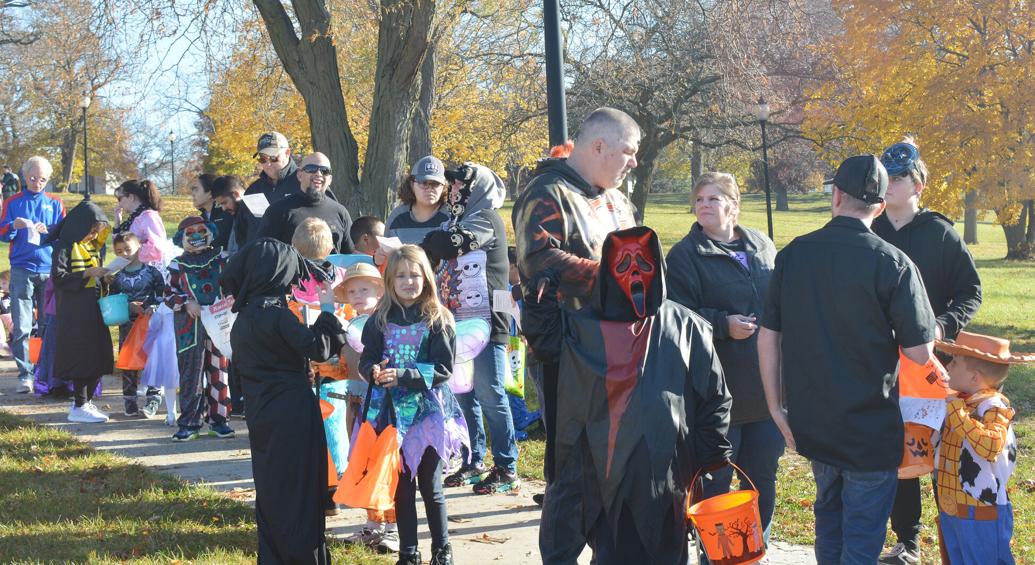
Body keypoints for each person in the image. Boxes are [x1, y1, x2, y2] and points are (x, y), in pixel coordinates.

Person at [757, 155, 937, 565]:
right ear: (878, 205)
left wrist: (775, 407)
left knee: (830, 523)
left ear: (836, 195)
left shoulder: (793, 255)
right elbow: (920, 353)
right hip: (869, 430)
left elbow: (768, 337)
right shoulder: (893, 263)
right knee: (860, 538)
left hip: (813, 424)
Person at [522, 226, 733, 563]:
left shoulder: (686, 327)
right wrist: (541, 298)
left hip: (662, 469)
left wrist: (710, 453)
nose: (634, 271)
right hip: (596, 467)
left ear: (659, 267)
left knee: (663, 548)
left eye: (643, 262)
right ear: (607, 269)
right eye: (622, 263)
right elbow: (546, 344)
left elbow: (715, 396)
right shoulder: (583, 325)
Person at [512, 107, 639, 513]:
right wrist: (614, 276)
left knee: (613, 453)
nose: (634, 162)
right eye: (628, 151)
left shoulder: (619, 201)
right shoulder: (546, 192)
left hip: (620, 344)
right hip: (566, 346)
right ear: (598, 146)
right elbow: (538, 260)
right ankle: (564, 533)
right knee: (571, 457)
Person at [873, 140, 983, 565]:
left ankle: (954, 542)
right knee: (902, 454)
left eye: (899, 178)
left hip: (936, 365)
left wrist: (941, 326)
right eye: (887, 178)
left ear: (918, 183)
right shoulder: (870, 230)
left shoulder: (940, 232)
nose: (891, 185)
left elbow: (970, 290)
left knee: (941, 454)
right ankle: (908, 541)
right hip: (883, 364)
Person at [665, 171, 784, 550]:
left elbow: (780, 300)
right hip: (715, 393)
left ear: (733, 205)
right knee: (714, 483)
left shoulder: (762, 245)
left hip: (764, 389)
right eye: (699, 199)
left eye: (712, 199)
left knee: (761, 478)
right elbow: (676, 315)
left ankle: (753, 551)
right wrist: (721, 325)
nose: (703, 206)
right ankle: (714, 555)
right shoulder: (685, 255)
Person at [220, 237, 348, 565]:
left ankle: (274, 556)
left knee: (272, 485)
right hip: (293, 411)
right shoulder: (278, 315)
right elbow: (319, 349)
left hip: (261, 414)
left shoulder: (243, 319)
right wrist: (329, 311)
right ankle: (303, 555)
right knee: (301, 487)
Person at [358, 245, 464, 565]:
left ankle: (441, 550)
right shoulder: (379, 319)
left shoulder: (438, 319)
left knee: (430, 486)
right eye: (401, 276)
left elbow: (444, 369)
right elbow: (367, 359)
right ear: (389, 279)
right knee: (402, 487)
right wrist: (372, 371)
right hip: (392, 416)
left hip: (429, 414)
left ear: (426, 278)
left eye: (415, 275)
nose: (408, 282)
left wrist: (403, 375)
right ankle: (408, 551)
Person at [423, 163, 519, 495]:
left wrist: (429, 241)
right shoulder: (455, 220)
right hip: (458, 323)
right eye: (451, 187)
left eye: (458, 186)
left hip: (490, 320)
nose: (452, 192)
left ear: (476, 189)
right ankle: (473, 460)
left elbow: (450, 244)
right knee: (464, 392)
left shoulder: (487, 218)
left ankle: (507, 466)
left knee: (491, 392)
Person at [933, 331, 1031, 565]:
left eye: (955, 362)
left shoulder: (993, 406)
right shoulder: (959, 400)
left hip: (980, 511)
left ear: (975, 378)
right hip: (952, 507)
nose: (949, 366)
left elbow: (991, 446)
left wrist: (957, 413)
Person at [336, 261, 401, 554]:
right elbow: (347, 369)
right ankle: (372, 524)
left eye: (364, 289)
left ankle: (394, 526)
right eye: (352, 291)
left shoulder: (386, 323)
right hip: (358, 406)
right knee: (362, 463)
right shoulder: (349, 326)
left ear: (380, 290)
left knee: (387, 467)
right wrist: (324, 368)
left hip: (386, 408)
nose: (358, 295)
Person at [165, 216, 234, 441]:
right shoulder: (177, 264)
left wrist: (227, 300)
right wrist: (186, 302)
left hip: (219, 326)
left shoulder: (223, 258)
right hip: (189, 328)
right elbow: (168, 294)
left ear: (210, 232)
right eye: (190, 232)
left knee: (219, 373)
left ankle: (219, 421)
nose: (196, 236)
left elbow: (234, 283)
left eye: (200, 230)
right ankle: (190, 422)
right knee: (190, 375)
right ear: (181, 238)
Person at [1, 156, 65, 393]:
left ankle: (43, 371)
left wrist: (50, 231)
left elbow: (64, 235)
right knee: (22, 325)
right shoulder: (13, 202)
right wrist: (12, 227)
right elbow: (2, 232)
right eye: (32, 178)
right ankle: (25, 375)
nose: (37, 182)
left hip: (48, 271)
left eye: (42, 179)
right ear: (24, 177)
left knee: (48, 324)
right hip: (21, 270)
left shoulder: (56, 203)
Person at [47, 200, 113, 423]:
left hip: (94, 307)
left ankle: (86, 402)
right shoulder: (64, 246)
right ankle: (79, 404)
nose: (94, 236)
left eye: (97, 233)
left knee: (99, 354)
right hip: (74, 311)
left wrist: (104, 277)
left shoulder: (91, 248)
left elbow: (94, 276)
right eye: (91, 231)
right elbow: (59, 278)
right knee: (81, 356)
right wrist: (86, 274)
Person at [108, 232, 166, 417]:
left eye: (128, 249)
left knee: (152, 361)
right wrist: (127, 306)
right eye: (119, 251)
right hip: (127, 325)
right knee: (128, 361)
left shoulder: (152, 273)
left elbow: (162, 296)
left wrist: (152, 307)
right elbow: (112, 300)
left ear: (139, 248)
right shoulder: (116, 278)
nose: (124, 254)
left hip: (150, 325)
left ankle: (154, 398)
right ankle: (129, 400)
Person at [258, 152, 354, 254]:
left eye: (325, 171)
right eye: (311, 168)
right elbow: (262, 252)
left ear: (330, 179)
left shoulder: (340, 212)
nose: (318, 174)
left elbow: (349, 256)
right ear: (299, 175)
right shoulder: (278, 210)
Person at [382, 156, 449, 251]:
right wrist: (377, 259)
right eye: (424, 183)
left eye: (435, 184)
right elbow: (387, 256)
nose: (430, 189)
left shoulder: (452, 217)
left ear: (444, 186)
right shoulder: (397, 218)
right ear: (412, 185)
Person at [113, 179, 173, 269]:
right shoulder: (133, 219)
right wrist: (117, 222)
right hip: (133, 271)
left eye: (120, 198)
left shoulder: (149, 217)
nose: (119, 203)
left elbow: (157, 247)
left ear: (131, 197)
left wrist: (132, 251)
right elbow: (119, 246)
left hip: (148, 274)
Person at [211, 175, 259, 253]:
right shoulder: (237, 213)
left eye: (224, 203)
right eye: (220, 204)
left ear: (236, 194)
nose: (223, 208)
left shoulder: (255, 212)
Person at [192, 174, 233, 252]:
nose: (193, 194)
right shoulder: (200, 219)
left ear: (210, 194)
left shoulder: (228, 214)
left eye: (196, 189)